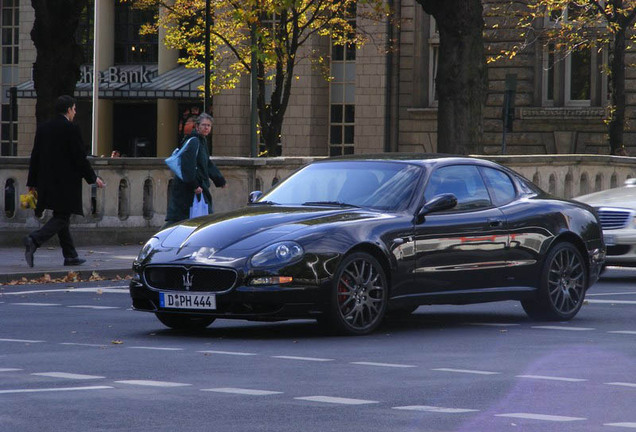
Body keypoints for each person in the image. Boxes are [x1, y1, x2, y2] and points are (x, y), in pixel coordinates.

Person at [24, 95, 105, 267]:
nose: (75, 113)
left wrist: (31, 181)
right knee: (62, 217)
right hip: (66, 183)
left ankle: (70, 255)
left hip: (46, 181)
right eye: (74, 109)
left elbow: (35, 156)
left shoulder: (44, 128)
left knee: (61, 216)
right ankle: (34, 239)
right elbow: (79, 159)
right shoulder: (71, 129)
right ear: (68, 110)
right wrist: (93, 178)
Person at [164, 113, 226, 227]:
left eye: (209, 125)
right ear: (197, 127)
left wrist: (219, 180)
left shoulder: (201, 141)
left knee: (191, 220)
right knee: (180, 221)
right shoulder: (194, 142)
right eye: (204, 125)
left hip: (195, 186)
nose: (206, 128)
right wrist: (194, 185)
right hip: (189, 188)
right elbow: (188, 165)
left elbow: (206, 163)